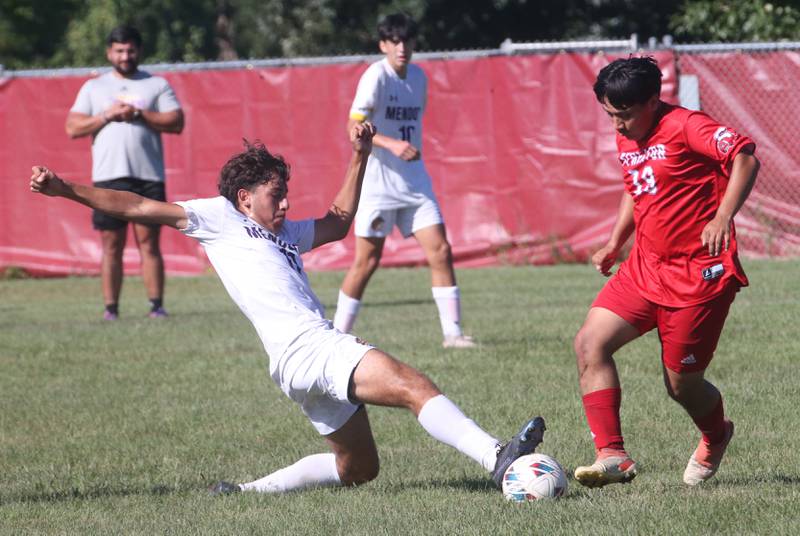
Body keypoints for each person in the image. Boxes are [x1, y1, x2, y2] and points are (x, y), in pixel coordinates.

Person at [30, 122, 545, 494]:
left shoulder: (285, 233)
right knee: (414, 385)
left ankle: (248, 492)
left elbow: (339, 222)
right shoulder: (216, 218)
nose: (285, 205)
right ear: (243, 196)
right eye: (276, 195)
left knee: (359, 469)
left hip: (292, 366)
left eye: (286, 195)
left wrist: (360, 155)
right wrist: (64, 190)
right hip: (311, 348)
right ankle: (496, 457)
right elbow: (137, 206)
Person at [572, 56, 759, 488]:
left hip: (699, 275)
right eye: (610, 116)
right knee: (589, 344)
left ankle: (716, 434)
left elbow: (746, 157)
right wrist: (616, 242)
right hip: (646, 267)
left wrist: (722, 217)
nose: (618, 126)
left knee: (681, 386)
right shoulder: (629, 132)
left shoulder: (686, 126)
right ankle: (612, 455)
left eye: (625, 116)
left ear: (654, 101)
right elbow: (636, 186)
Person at [333, 13, 474, 349]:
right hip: (378, 185)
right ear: (383, 45)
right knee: (366, 262)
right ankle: (334, 337)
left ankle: (452, 334)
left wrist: (402, 146)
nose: (402, 47)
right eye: (394, 41)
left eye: (407, 40)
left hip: (414, 183)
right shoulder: (375, 77)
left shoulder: (419, 78)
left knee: (441, 250)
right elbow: (353, 128)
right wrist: (392, 144)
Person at [66, 25, 184, 320]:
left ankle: (156, 307)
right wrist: (107, 114)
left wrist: (139, 113)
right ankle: (111, 310)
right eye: (119, 50)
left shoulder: (155, 84)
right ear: (109, 52)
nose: (125, 55)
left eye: (130, 49)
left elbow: (176, 121)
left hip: (148, 176)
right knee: (111, 245)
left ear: (139, 51)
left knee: (149, 243)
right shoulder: (95, 88)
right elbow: (72, 127)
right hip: (109, 177)